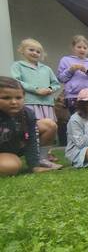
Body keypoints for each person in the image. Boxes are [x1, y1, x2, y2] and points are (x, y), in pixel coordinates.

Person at [10, 38, 63, 166]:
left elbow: (56, 83)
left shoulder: (46, 69)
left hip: (47, 104)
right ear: (22, 51)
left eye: (38, 51)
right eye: (31, 50)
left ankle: (45, 154)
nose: (35, 53)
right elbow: (16, 82)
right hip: (29, 103)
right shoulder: (18, 66)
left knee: (51, 127)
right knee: (33, 129)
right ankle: (31, 154)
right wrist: (36, 90)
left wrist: (50, 89)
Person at [0, 77, 61, 175]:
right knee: (11, 166)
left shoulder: (28, 114)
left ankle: (41, 160)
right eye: (6, 98)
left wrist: (34, 166)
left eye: (18, 98)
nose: (14, 102)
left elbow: (32, 139)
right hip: (4, 150)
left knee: (49, 124)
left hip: (16, 145)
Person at [57, 35, 88, 115]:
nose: (82, 49)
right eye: (79, 47)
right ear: (73, 47)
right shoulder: (66, 60)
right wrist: (71, 70)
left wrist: (87, 71)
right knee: (76, 120)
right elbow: (61, 78)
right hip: (73, 96)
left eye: (85, 48)